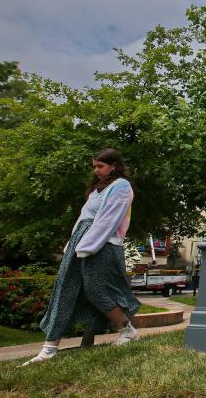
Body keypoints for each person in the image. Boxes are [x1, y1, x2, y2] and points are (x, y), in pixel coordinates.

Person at [22, 148, 142, 365]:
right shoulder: (96, 189)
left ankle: (127, 330)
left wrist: (87, 247)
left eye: (100, 166)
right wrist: (72, 244)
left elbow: (108, 220)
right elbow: (83, 217)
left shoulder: (121, 187)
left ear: (114, 166)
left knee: (98, 289)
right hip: (82, 243)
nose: (96, 170)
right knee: (65, 288)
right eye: (94, 166)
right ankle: (49, 348)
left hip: (102, 246)